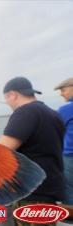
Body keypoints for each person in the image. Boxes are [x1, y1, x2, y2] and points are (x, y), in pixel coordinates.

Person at [0, 77, 65, 226]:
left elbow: (1, 151)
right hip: (50, 187)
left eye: (7, 99)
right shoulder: (53, 114)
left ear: (12, 95)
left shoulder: (25, 112)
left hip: (32, 192)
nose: (8, 103)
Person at [55, 78, 73, 206]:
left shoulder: (65, 109)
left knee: (68, 190)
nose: (61, 93)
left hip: (70, 157)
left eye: (63, 89)